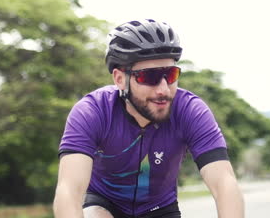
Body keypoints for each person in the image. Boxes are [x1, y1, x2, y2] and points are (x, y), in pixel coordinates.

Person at [53, 19, 244, 218]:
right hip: (105, 204)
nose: (163, 89)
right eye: (149, 77)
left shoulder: (190, 110)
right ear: (119, 79)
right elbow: (69, 191)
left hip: (159, 209)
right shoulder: (92, 111)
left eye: (170, 75)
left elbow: (224, 184)